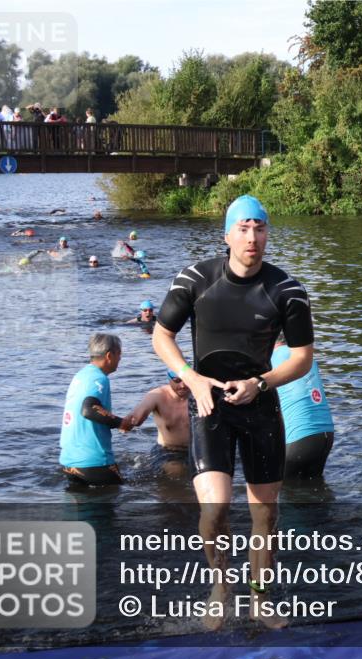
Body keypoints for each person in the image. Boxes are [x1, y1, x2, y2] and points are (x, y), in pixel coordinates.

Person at [152, 194, 314, 629]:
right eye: (243, 229)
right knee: (214, 511)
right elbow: (161, 336)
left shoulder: (287, 290)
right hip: (209, 406)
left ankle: (260, 598)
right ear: (227, 235)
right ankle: (220, 588)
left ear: (267, 234)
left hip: (259, 405)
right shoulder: (195, 279)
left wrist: (261, 382)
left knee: (266, 513)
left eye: (259, 228)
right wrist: (191, 378)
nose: (252, 238)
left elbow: (302, 358)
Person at [59, 334, 133, 486]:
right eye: (119, 354)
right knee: (123, 495)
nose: (120, 358)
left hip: (69, 462)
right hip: (94, 462)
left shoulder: (80, 375)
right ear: (109, 355)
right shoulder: (99, 378)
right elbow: (89, 410)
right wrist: (120, 423)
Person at [271, 337, 334, 478]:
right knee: (314, 486)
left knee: (282, 489)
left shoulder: (270, 360)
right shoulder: (305, 357)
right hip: (326, 435)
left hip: (298, 439)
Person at [127, 370, 192, 477]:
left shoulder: (201, 395)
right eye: (177, 381)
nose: (182, 385)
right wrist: (135, 418)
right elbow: (142, 407)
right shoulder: (157, 395)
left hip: (196, 448)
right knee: (175, 469)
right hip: (167, 450)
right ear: (169, 379)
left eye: (187, 380)